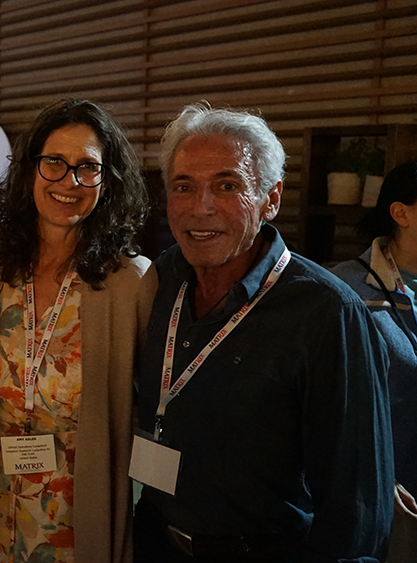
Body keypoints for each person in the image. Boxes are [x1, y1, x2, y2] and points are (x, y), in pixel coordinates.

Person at [132, 103, 394, 562]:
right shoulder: (164, 277)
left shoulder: (326, 312)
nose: (201, 207)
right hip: (156, 542)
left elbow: (356, 504)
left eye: (227, 186)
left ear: (271, 198)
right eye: (184, 187)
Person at [0, 98, 155, 563]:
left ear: (109, 180)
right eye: (54, 163)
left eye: (87, 167)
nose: (69, 181)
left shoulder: (130, 283)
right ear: (30, 169)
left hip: (79, 519)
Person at [331, 159, 417, 563]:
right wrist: (379, 475)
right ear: (401, 213)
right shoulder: (344, 289)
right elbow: (328, 403)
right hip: (386, 496)